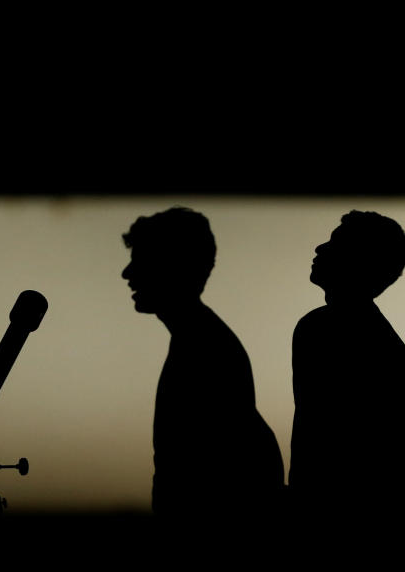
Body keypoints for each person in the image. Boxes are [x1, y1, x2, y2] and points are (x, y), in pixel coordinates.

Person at [121, 207, 284, 518]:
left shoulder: (205, 349)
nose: (127, 273)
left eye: (140, 260)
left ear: (172, 266)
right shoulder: (200, 340)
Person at [290, 211, 405, 516]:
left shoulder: (327, 330)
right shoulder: (327, 328)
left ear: (359, 262)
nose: (320, 248)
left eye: (335, 243)